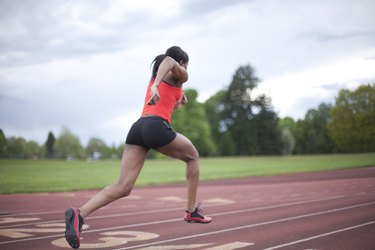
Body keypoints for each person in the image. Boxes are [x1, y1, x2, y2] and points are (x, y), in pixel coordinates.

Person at [64, 46, 212, 249]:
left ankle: (79, 214)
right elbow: (168, 61)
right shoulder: (178, 73)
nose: (186, 68)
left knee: (123, 187)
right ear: (183, 62)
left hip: (138, 129)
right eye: (185, 64)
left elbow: (169, 103)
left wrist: (178, 101)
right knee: (193, 156)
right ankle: (191, 211)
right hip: (155, 126)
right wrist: (157, 86)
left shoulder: (159, 80)